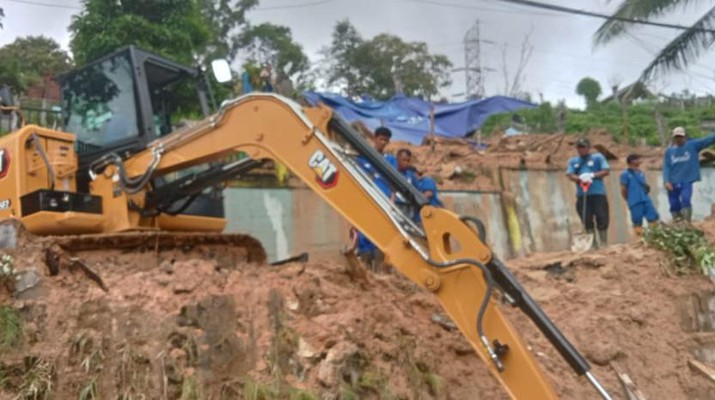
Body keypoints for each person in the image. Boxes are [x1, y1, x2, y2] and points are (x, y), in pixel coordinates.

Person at [663, 126, 715, 222]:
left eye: (680, 136)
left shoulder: (693, 145)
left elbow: (708, 140)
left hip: (686, 180)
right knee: (674, 203)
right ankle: (677, 220)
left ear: (685, 137)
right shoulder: (669, 151)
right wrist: (666, 180)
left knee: (686, 199)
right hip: (673, 180)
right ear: (673, 138)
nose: (679, 139)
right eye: (676, 137)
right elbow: (666, 166)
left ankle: (687, 221)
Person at [566, 137, 611, 249]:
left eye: (584, 147)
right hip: (583, 194)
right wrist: (579, 178)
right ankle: (593, 244)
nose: (582, 150)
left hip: (597, 193)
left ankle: (603, 243)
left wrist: (592, 175)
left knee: (602, 216)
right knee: (586, 218)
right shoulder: (574, 161)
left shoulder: (598, 157)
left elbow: (606, 170)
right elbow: (570, 174)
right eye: (579, 148)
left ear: (588, 147)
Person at [620, 154, 659, 236]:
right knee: (637, 221)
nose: (640, 161)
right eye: (637, 159)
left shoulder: (640, 172)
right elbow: (623, 189)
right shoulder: (625, 174)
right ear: (632, 161)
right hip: (635, 201)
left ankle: (654, 236)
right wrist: (628, 199)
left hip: (645, 198)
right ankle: (639, 238)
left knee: (652, 217)